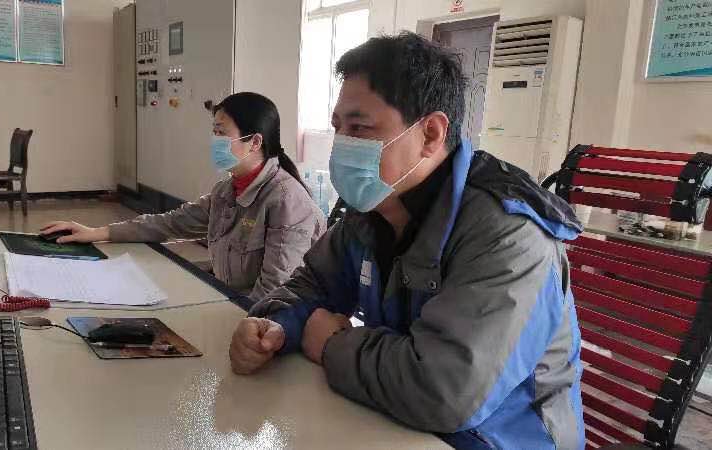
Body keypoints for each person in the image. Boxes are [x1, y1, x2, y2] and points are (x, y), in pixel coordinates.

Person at [229, 33, 585, 449]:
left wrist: (332, 344)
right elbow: (311, 286)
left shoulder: (509, 234)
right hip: (400, 423)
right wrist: (274, 327)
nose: (341, 145)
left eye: (359, 127)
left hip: (495, 440)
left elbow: (443, 391)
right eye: (339, 128)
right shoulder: (374, 210)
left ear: (431, 134)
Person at [42, 92, 326, 301]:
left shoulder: (287, 202)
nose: (214, 141)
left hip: (264, 326)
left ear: (254, 142)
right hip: (233, 307)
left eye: (221, 133)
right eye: (213, 132)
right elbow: (170, 223)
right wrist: (96, 233)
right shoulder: (226, 191)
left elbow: (274, 294)